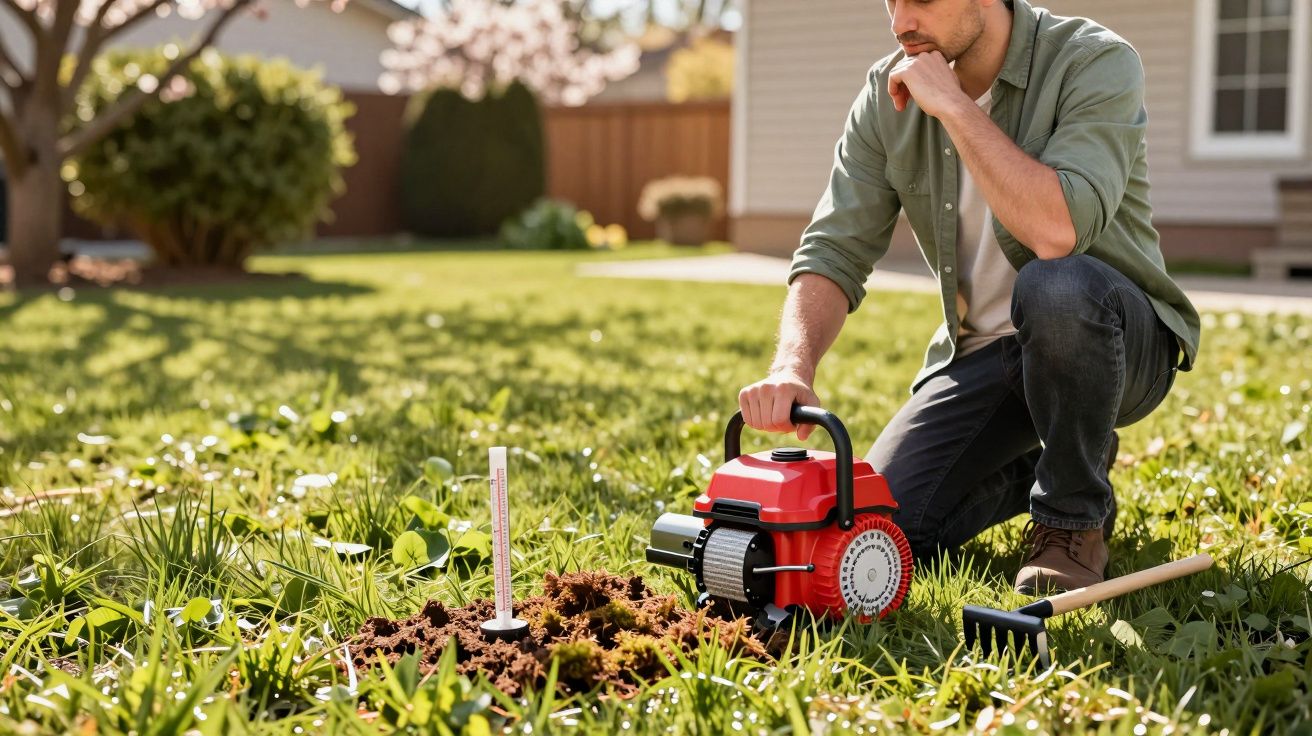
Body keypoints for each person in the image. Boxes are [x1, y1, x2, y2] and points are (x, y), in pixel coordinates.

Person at [737, 0, 1200, 594]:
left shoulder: (1094, 61)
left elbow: (1055, 231)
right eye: (891, 0)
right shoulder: (887, 97)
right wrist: (791, 365)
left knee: (1054, 282)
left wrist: (953, 105)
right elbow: (834, 249)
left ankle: (1071, 520)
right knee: (883, 531)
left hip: (1113, 339)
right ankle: (1061, 454)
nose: (901, 20)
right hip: (984, 355)